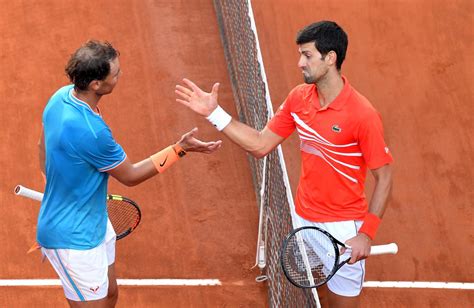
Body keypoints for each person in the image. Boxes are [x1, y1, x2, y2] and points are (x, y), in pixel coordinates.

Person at [175, 21, 393, 307]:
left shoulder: (362, 115)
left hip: (343, 230)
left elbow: (385, 177)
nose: (300, 62)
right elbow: (260, 144)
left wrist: (366, 234)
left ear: (330, 58)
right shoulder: (299, 99)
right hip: (303, 218)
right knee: (315, 295)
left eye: (307, 55)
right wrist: (214, 113)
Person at [37, 40, 222, 307]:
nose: (120, 76)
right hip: (74, 240)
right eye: (116, 74)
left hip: (95, 221)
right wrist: (180, 148)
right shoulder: (92, 132)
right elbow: (131, 175)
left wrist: (54, 185)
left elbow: (41, 147)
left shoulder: (61, 97)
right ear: (96, 85)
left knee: (110, 293)